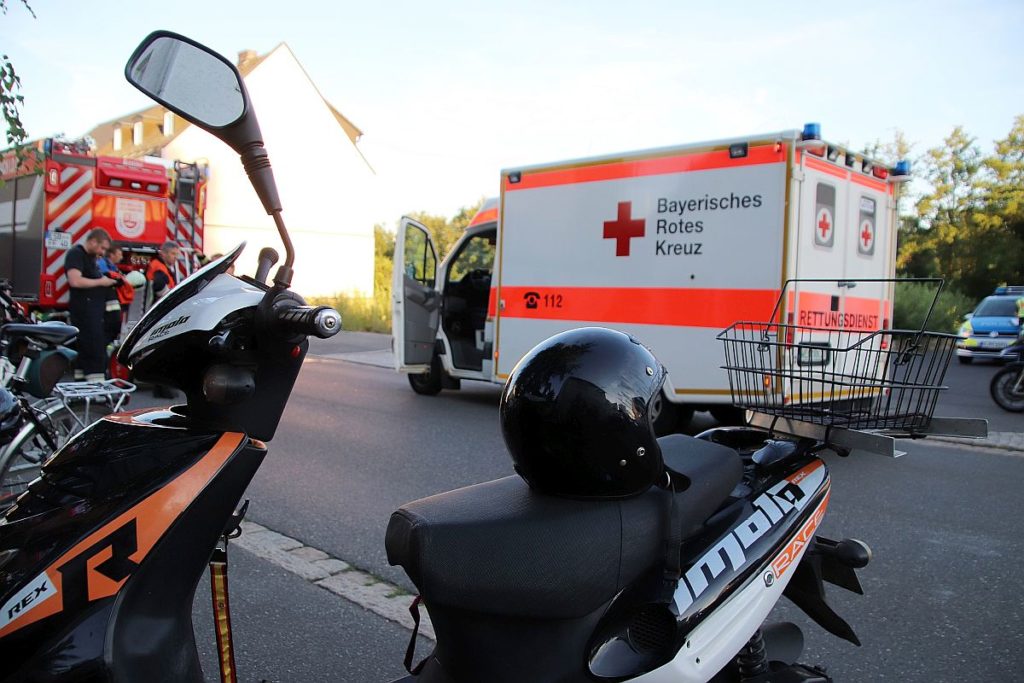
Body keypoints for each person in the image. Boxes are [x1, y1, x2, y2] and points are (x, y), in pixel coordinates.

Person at [64, 228, 116, 381]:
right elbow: (75, 280)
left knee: (89, 349)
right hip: (84, 313)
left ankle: (82, 386)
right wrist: (102, 282)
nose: (103, 252)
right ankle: (95, 388)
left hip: (92, 312)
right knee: (92, 348)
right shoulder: (76, 254)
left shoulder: (91, 258)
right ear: (93, 241)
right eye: (102, 247)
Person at [145, 241, 181, 311]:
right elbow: (159, 285)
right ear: (163, 254)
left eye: (177, 254)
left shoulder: (162, 266)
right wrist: (170, 299)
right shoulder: (159, 267)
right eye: (173, 254)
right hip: (156, 309)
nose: (176, 257)